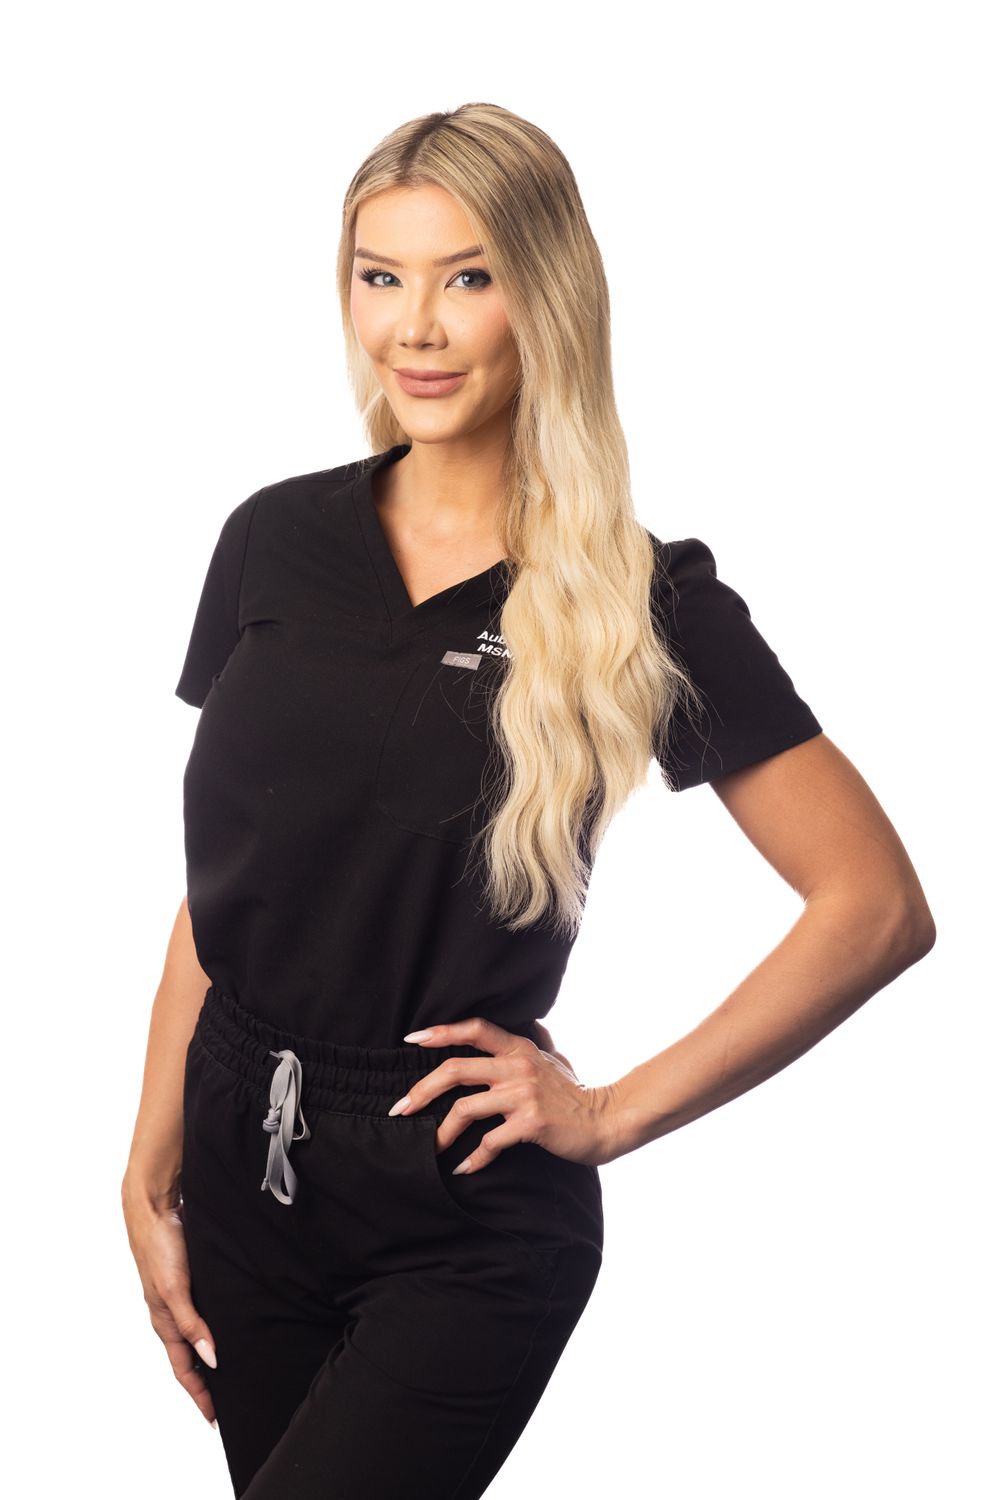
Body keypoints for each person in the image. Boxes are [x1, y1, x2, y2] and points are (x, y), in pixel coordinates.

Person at [121, 102, 936, 1500]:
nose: (415, 328)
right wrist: (151, 1166)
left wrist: (610, 1113)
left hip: (460, 1210)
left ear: (545, 297)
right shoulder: (272, 538)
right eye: (380, 276)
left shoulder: (641, 598)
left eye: (468, 277)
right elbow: (237, 877)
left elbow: (874, 907)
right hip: (245, 1173)